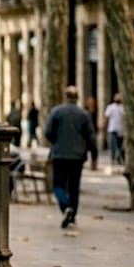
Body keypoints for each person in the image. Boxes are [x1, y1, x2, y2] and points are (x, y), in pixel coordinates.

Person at [45, 86, 98, 229]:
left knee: (58, 185)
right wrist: (94, 156)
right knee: (74, 187)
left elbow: (48, 133)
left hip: (59, 155)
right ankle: (72, 216)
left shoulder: (56, 112)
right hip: (77, 156)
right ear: (77, 98)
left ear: (65, 96)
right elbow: (91, 137)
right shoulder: (84, 114)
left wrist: (57, 140)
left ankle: (65, 207)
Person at [104, 93, 125, 165]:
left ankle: (119, 158)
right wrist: (104, 125)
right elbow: (106, 117)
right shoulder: (110, 107)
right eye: (117, 97)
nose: (118, 99)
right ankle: (113, 159)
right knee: (113, 145)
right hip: (112, 129)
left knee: (121, 146)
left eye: (119, 97)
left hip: (121, 130)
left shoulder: (123, 107)